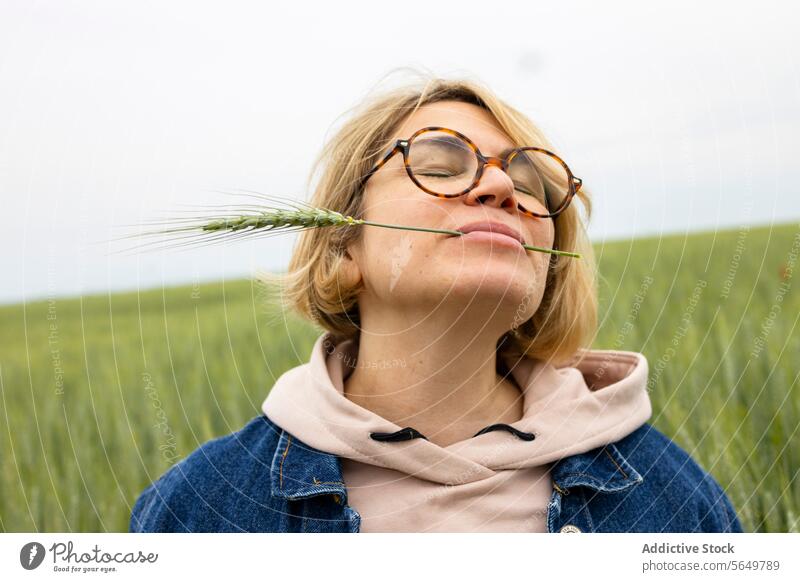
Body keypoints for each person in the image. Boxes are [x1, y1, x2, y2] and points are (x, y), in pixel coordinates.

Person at [129, 74, 743, 533]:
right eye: (439, 164)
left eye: (530, 185)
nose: (502, 187)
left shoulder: (677, 504)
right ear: (345, 245)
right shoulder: (195, 510)